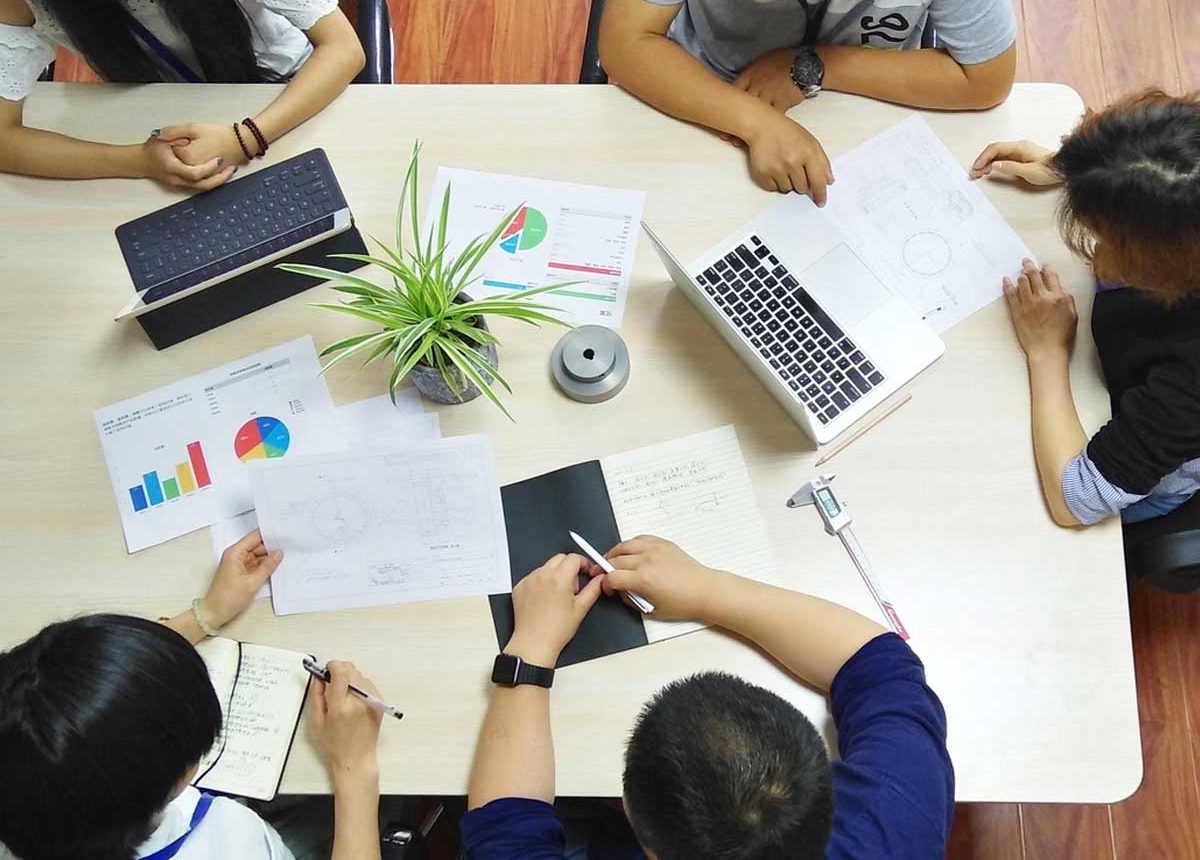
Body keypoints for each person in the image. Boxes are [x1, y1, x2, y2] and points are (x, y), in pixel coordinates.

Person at [462, 536, 953, 859]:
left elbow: (505, 829)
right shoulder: (895, 821)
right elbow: (880, 664)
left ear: (629, 808)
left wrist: (531, 647)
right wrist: (705, 588)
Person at [0, 528, 385, 860]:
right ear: (180, 776)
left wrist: (205, 615)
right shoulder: (233, 842)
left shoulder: (39, 787)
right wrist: (354, 767)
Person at [970, 90, 1200, 527]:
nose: (1095, 252)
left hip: (1158, 470)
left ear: (1163, 265)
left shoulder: (1187, 384)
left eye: (1106, 239)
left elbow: (1074, 500)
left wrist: (1047, 351)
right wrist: (1083, 173)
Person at [598, 0, 1017, 202]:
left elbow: (987, 78)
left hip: (868, 104)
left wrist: (815, 65)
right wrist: (755, 122)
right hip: (706, 93)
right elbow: (625, 41)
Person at [0, 0, 365, 190]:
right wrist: (140, 162)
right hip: (162, 127)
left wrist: (245, 139)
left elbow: (343, 48)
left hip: (286, 92)